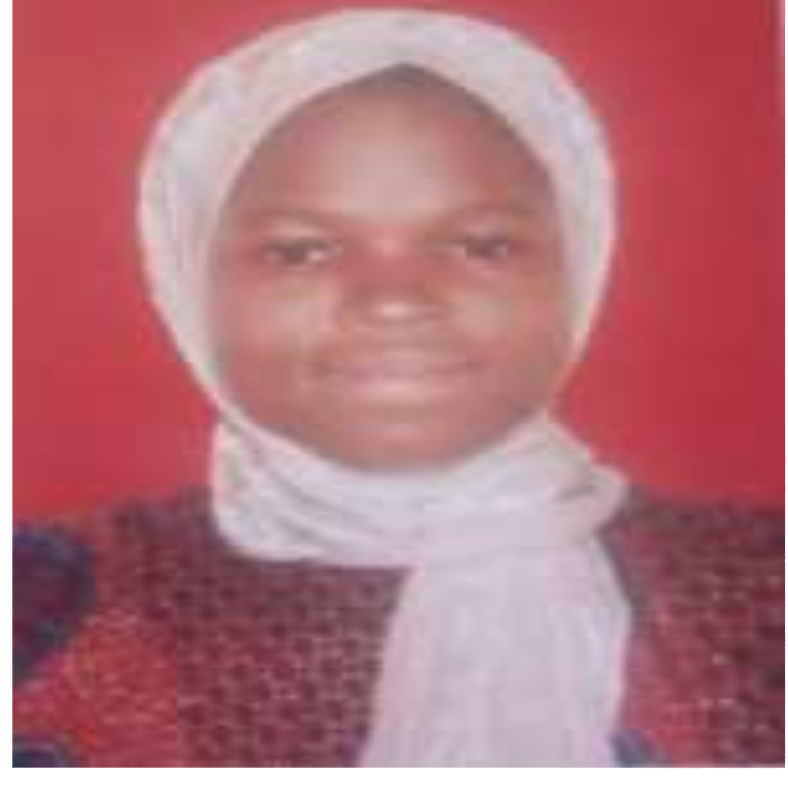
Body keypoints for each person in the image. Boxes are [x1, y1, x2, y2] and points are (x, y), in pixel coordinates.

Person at [13, 8, 783, 767]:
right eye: (301, 251)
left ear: (580, 263)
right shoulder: (40, 610)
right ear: (184, 278)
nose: (394, 299)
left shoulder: (756, 592)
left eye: (481, 244)